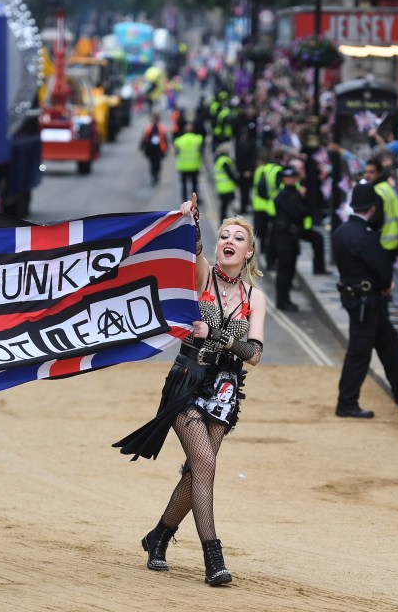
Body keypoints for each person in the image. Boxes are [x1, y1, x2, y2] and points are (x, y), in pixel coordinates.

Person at [113, 194, 266, 587]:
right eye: (224, 236)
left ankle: (157, 537)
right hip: (187, 382)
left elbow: (254, 354)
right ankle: (213, 557)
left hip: (225, 391)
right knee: (206, 464)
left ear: (249, 252)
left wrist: (216, 334)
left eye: (238, 238)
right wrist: (191, 220)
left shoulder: (255, 298)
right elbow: (191, 250)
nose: (228, 241)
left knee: (198, 469)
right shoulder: (203, 277)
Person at [332, 181, 398, 418]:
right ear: (373, 207)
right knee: (359, 351)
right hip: (368, 301)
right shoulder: (365, 235)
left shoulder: (340, 232)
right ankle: (346, 402)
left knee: (388, 340)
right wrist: (386, 285)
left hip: (355, 298)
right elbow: (383, 270)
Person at [271, 166, 308, 312]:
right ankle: (282, 300)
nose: (292, 180)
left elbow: (306, 209)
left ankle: (285, 299)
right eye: (289, 177)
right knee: (285, 270)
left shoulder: (294, 193)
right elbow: (298, 212)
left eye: (294, 177)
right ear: (284, 179)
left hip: (291, 237)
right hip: (283, 238)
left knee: (289, 269)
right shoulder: (283, 195)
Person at [174, 121, 203, 200]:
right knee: (194, 184)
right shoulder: (197, 139)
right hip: (194, 165)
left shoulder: (179, 140)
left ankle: (184, 199)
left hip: (183, 166)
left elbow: (176, 152)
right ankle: (195, 200)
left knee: (184, 185)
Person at [140, 113, 168, 186]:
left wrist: (166, 149)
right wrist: (142, 147)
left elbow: (165, 139)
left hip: (159, 149)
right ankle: (153, 176)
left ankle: (156, 174)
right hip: (151, 149)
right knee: (152, 164)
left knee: (158, 164)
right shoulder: (148, 128)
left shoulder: (162, 129)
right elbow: (144, 139)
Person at [213, 143, 239, 219]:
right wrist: (236, 180)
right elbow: (230, 173)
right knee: (227, 206)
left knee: (224, 206)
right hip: (226, 187)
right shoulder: (224, 160)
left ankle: (223, 221)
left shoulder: (219, 159)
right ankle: (224, 221)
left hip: (221, 187)